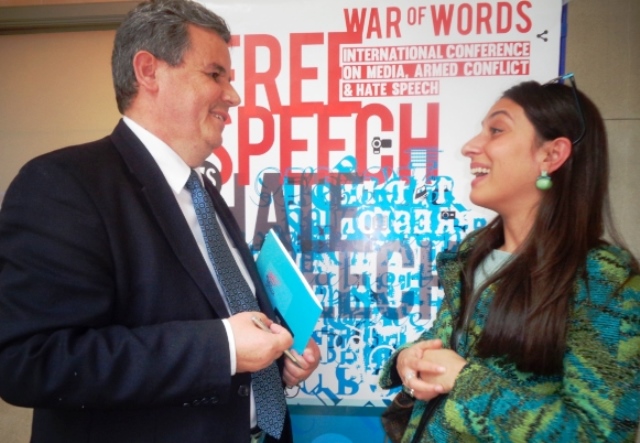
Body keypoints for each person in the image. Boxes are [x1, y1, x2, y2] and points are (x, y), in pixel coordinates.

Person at [0, 0, 320, 442]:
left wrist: (276, 358)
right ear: (148, 71)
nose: (234, 96)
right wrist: (224, 348)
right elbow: (31, 361)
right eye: (215, 75)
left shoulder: (202, 192)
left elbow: (219, 314)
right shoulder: (62, 184)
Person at [379, 75, 640, 442]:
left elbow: (598, 435)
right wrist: (407, 359)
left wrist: (464, 382)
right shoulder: (470, 257)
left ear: (551, 155)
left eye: (496, 130)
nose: (470, 147)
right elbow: (443, 342)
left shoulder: (603, 282)